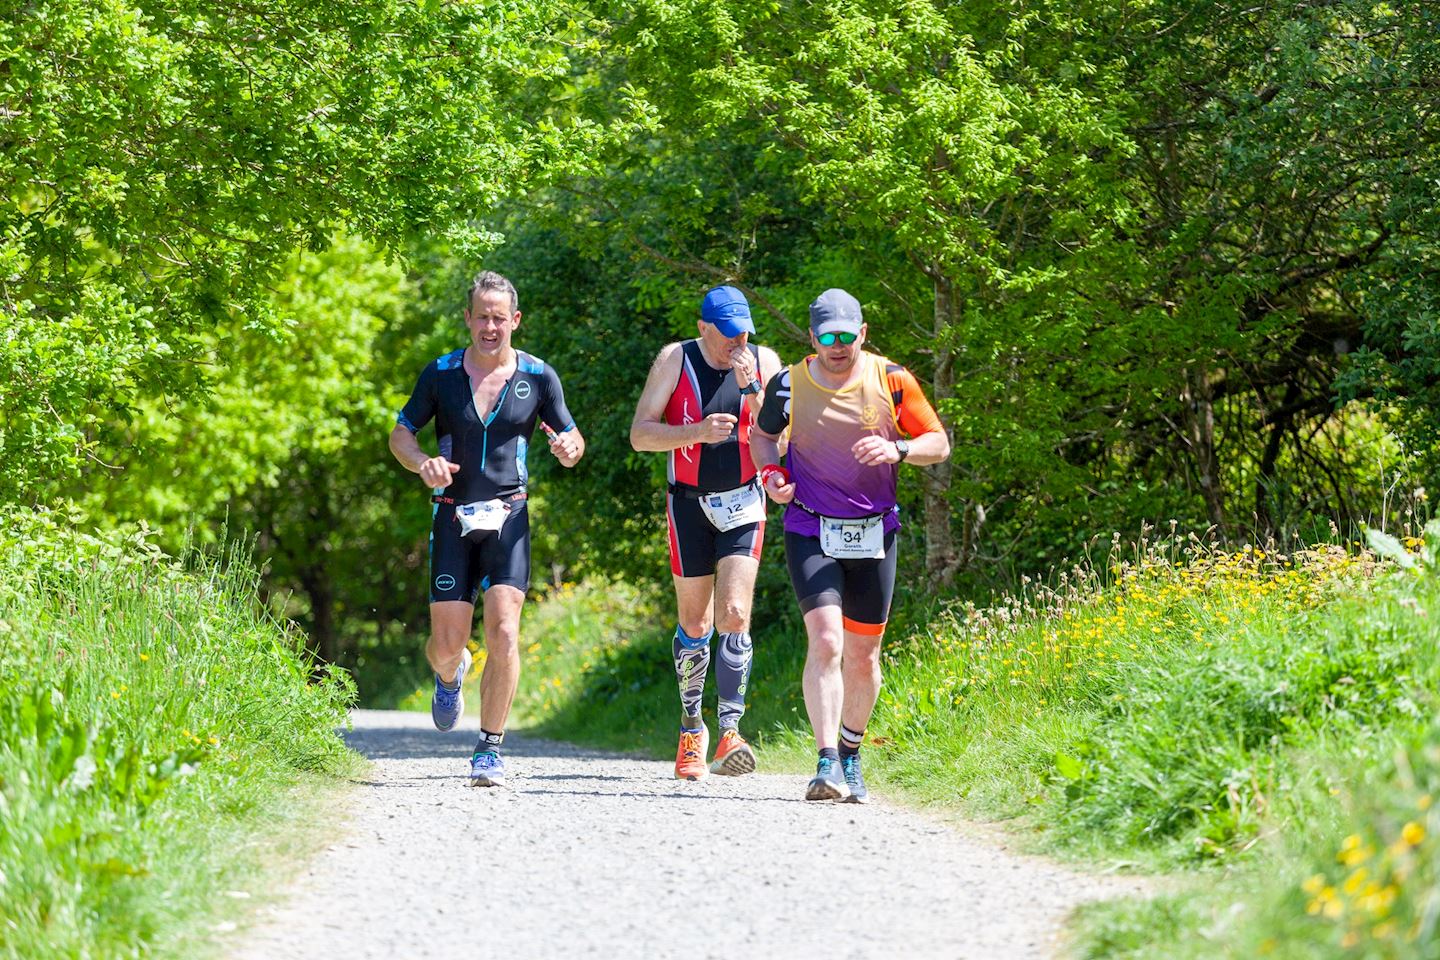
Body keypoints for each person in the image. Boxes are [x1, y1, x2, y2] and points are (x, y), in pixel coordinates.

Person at [750, 288, 950, 802]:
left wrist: (897, 448)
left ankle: (851, 753)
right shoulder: (788, 385)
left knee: (863, 657)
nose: (837, 346)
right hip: (810, 527)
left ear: (862, 333)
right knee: (827, 642)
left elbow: (938, 442)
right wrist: (772, 474)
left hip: (874, 531)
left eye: (847, 335)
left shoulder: (891, 379)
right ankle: (825, 762)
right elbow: (762, 436)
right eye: (827, 337)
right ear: (812, 338)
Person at [388, 271, 585, 787]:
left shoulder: (539, 376)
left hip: (509, 515)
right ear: (468, 319)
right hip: (452, 514)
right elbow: (401, 433)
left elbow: (571, 436)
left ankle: (489, 749)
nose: (491, 326)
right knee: (447, 644)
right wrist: (420, 463)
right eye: (482, 317)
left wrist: (569, 449)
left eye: (500, 317)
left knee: (503, 631)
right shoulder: (441, 373)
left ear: (515, 321)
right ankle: (450, 675)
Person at [629, 285, 783, 780]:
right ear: (703, 328)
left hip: (744, 500)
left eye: (743, 332)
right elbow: (640, 435)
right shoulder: (676, 359)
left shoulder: (764, 360)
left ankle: (731, 730)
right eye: (726, 334)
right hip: (688, 505)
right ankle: (692, 728)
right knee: (695, 623)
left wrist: (754, 388)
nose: (736, 342)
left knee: (735, 612)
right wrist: (694, 433)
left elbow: (782, 435)